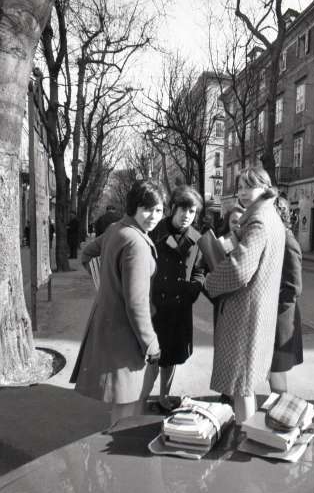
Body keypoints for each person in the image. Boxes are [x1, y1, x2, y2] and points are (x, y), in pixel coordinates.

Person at [70, 179, 164, 430]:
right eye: (147, 209)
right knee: (127, 408)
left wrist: (105, 285)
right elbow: (136, 304)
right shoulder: (136, 242)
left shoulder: (116, 229)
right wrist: (151, 344)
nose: (153, 216)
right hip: (128, 336)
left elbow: (87, 254)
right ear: (134, 206)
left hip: (111, 327)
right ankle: (119, 449)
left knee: (123, 405)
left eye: (158, 209)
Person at [205, 167, 285, 424]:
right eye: (240, 187)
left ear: (265, 187)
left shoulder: (258, 221)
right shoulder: (270, 217)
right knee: (246, 384)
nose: (242, 192)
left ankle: (244, 433)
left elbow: (240, 270)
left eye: (250, 186)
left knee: (242, 385)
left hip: (245, 314)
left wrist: (210, 282)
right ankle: (246, 431)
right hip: (258, 312)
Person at [150, 185, 205, 411]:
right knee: (151, 356)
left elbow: (200, 270)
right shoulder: (154, 232)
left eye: (192, 211)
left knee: (171, 356)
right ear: (173, 208)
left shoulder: (197, 239)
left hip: (180, 307)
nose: (187, 216)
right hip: (155, 306)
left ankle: (164, 397)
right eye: (183, 209)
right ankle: (138, 398)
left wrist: (194, 289)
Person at [269, 196, 303, 394]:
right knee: (273, 368)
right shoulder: (277, 237)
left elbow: (294, 287)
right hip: (275, 316)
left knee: (277, 369)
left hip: (281, 318)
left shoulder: (287, 241)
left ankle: (281, 408)